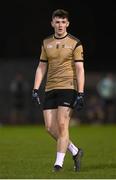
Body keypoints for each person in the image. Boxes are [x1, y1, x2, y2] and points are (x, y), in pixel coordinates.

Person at [32, 9, 85, 172]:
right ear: (52, 23)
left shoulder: (75, 43)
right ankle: (75, 151)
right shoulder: (46, 42)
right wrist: (35, 88)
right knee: (49, 128)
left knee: (62, 125)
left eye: (63, 22)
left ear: (67, 23)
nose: (60, 25)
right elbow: (41, 66)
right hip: (50, 87)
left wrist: (81, 93)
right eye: (57, 21)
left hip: (68, 87)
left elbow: (80, 68)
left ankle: (58, 164)